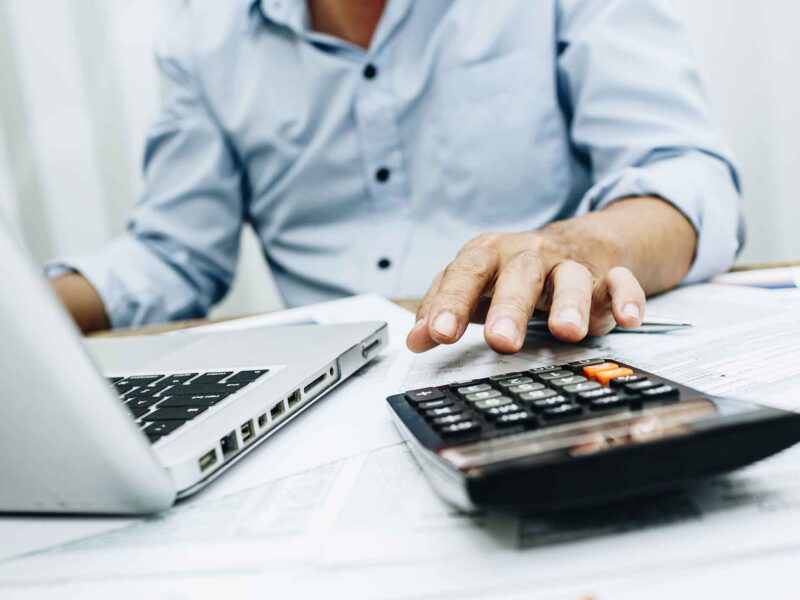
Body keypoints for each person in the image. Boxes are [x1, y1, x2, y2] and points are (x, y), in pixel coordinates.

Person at [48, 0, 743, 355]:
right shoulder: (203, 35)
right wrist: (29, 308)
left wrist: (578, 247)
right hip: (325, 396)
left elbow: (683, 176)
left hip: (535, 355)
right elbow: (173, 254)